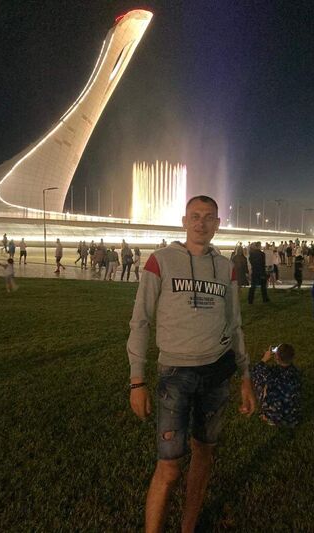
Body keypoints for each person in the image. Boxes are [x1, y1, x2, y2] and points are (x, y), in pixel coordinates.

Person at [127, 195, 256, 532]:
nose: (201, 223)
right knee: (169, 468)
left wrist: (245, 375)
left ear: (217, 224)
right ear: (184, 221)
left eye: (209, 217)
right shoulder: (160, 261)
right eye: (195, 216)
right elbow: (140, 321)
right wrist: (137, 380)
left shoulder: (226, 267)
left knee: (204, 454)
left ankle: (188, 527)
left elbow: (235, 324)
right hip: (176, 375)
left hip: (217, 373)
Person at [251, 344, 301, 427]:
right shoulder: (296, 372)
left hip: (276, 416)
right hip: (292, 416)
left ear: (276, 358)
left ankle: (268, 416)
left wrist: (264, 359)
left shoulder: (271, 374)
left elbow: (254, 371)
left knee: (259, 382)